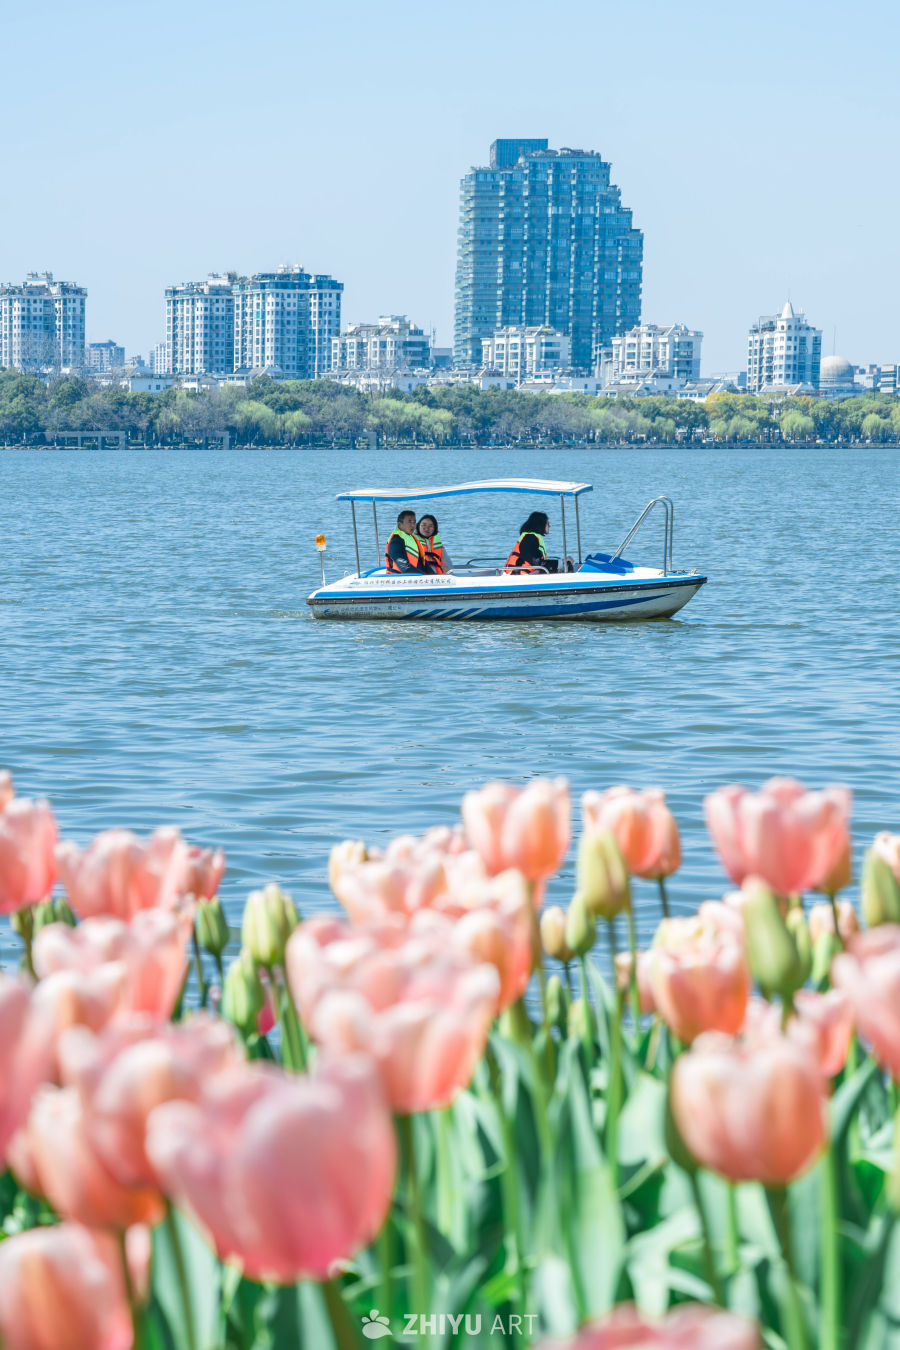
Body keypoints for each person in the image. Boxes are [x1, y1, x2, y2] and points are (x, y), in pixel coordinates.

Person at [504, 511, 574, 574]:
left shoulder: (531, 537)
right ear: (541, 524)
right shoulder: (529, 539)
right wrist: (562, 562)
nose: (549, 526)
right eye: (547, 523)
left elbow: (537, 561)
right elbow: (537, 562)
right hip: (518, 576)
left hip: (522, 574)